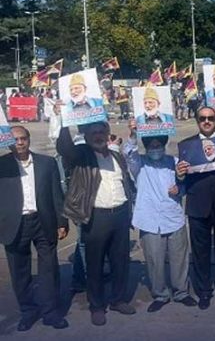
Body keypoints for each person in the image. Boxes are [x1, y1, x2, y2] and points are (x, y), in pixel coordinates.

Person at [56, 117, 136, 326]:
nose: (98, 136)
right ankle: (97, 306)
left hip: (120, 215)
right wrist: (63, 120)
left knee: (120, 261)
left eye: (101, 132)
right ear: (87, 137)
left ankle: (118, 300)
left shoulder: (118, 157)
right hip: (96, 217)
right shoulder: (82, 156)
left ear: (108, 133)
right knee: (95, 264)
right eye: (93, 133)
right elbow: (65, 148)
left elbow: (127, 182)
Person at [123, 121, 197, 312]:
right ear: (146, 147)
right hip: (149, 219)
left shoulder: (173, 161)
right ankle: (160, 294)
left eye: (158, 145)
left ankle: (181, 292)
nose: (155, 149)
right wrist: (132, 134)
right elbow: (128, 153)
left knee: (179, 258)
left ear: (164, 145)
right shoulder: (139, 163)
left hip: (173, 217)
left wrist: (178, 188)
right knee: (154, 260)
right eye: (151, 145)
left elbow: (184, 184)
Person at [0, 126, 69, 331]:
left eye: (23, 139)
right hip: (14, 224)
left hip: (43, 221)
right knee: (20, 273)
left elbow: (57, 194)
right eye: (15, 140)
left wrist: (62, 222)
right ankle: (28, 312)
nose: (20, 143)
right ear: (8, 142)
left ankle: (51, 312)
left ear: (29, 140)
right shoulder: (1, 165)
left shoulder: (46, 163)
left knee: (49, 269)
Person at [176, 106, 215, 310]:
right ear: (196, 120)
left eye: (210, 118)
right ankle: (204, 291)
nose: (206, 121)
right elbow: (182, 180)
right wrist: (180, 174)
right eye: (202, 118)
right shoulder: (186, 145)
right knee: (201, 252)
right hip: (198, 207)